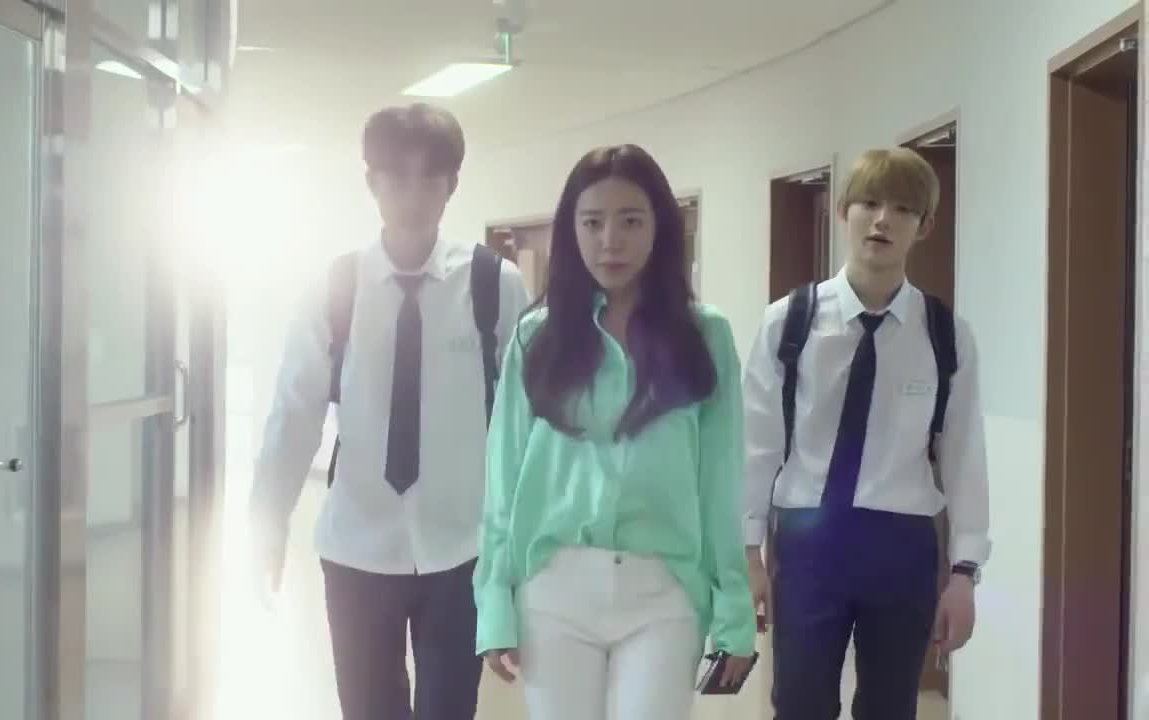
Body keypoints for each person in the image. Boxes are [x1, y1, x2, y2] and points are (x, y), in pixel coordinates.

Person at [248, 102, 531, 720]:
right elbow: (294, 414)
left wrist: (525, 548)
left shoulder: (493, 285)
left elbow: (527, 422)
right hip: (357, 546)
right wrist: (266, 525)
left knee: (449, 710)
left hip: (464, 549)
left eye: (430, 177)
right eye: (396, 176)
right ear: (371, 181)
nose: (413, 194)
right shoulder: (335, 288)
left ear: (452, 184)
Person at [474, 144, 757, 720]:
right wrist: (494, 601)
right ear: (571, 231)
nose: (611, 241)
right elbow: (503, 482)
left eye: (630, 221)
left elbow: (721, 481)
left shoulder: (705, 337)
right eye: (592, 222)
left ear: (660, 228)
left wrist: (733, 605)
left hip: (665, 592)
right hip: (554, 590)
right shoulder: (536, 338)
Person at [742, 147, 991, 720]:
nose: (882, 220)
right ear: (842, 211)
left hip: (901, 547)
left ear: (924, 226)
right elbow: (757, 445)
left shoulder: (945, 334)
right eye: (870, 203)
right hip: (808, 545)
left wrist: (964, 574)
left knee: (890, 707)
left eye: (903, 209)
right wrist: (747, 554)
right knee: (800, 705)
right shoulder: (790, 322)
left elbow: (964, 456)